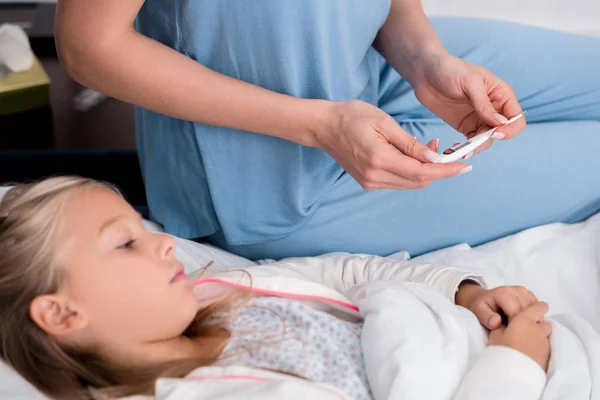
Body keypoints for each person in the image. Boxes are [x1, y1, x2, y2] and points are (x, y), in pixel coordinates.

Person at [0, 177, 552, 399]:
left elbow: (347, 275)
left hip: (494, 332)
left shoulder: (216, 292)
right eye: (125, 244)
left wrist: (461, 292)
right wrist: (513, 366)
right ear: (62, 314)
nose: (163, 245)